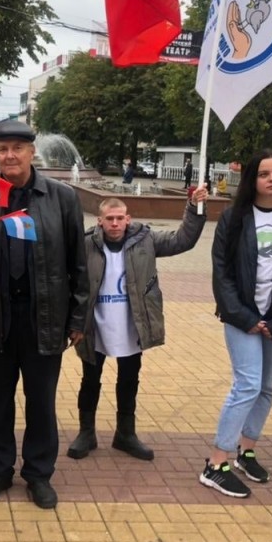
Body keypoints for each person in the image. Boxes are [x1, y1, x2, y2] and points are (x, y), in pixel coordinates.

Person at [0, 119, 88, 510]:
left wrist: (78, 318)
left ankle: (38, 474)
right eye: (2, 149)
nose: (9, 156)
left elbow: (78, 262)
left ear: (31, 152)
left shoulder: (61, 197)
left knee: (41, 401)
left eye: (17, 148)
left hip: (43, 316)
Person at [200, 151, 272, 498]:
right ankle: (216, 462)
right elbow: (221, 272)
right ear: (253, 179)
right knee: (247, 384)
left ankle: (246, 451)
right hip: (242, 318)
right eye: (264, 174)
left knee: (266, 387)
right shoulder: (234, 218)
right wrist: (245, 317)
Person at [67, 191, 208, 462]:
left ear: (128, 219)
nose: (115, 223)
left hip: (132, 325)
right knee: (90, 380)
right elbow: (69, 280)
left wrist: (195, 208)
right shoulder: (85, 244)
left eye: (120, 218)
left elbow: (182, 240)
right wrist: (72, 322)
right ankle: (86, 433)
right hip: (93, 326)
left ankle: (125, 434)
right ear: (99, 221)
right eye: (110, 218)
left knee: (129, 379)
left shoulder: (146, 240)